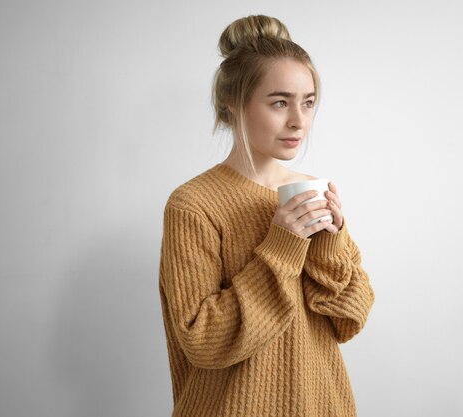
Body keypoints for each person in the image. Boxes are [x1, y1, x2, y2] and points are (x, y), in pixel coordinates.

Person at [158, 15, 375, 417]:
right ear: (233, 103)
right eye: (280, 102)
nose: (299, 121)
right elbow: (203, 341)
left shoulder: (312, 190)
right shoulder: (193, 204)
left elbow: (350, 318)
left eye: (308, 103)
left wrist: (332, 239)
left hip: (322, 405)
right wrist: (281, 246)